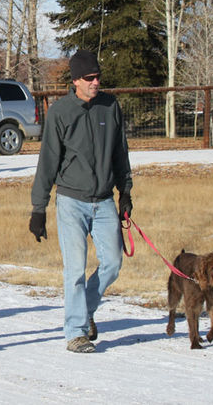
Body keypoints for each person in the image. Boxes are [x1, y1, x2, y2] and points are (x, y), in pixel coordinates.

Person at [29, 50, 133, 353]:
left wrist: (125, 191)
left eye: (98, 76)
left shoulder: (110, 106)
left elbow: (120, 153)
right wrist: (39, 208)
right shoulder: (61, 112)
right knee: (75, 269)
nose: (96, 82)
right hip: (71, 201)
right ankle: (75, 332)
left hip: (104, 201)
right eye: (89, 78)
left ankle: (84, 312)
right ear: (75, 80)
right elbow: (47, 162)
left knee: (112, 264)